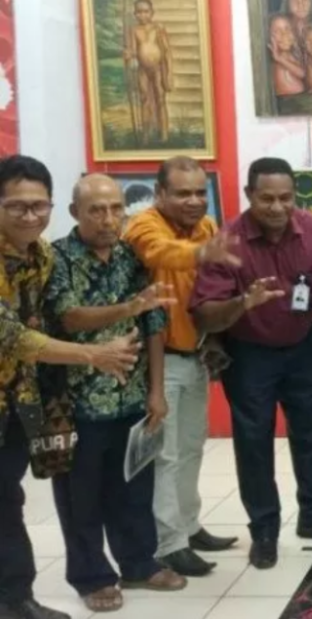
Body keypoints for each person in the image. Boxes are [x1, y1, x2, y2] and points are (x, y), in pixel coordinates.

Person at [190, 158, 312, 569]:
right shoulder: (227, 242)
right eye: (267, 198)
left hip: (301, 348)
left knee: (310, 438)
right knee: (254, 445)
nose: (277, 207)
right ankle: (264, 530)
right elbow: (206, 314)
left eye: (286, 198)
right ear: (249, 195)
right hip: (249, 354)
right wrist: (243, 302)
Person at [0, 157, 139, 619]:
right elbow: (13, 336)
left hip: (21, 397)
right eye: (17, 206)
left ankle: (15, 598)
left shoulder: (40, 256)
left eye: (39, 205)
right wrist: (93, 355)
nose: (30, 215)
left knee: (8, 495)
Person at [44, 175, 187, 613]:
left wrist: (157, 390)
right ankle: (92, 576)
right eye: (96, 210)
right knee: (80, 499)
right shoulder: (57, 258)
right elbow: (68, 317)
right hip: (77, 403)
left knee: (133, 490)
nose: (108, 219)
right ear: (75, 213)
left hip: (131, 399)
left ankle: (139, 564)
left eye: (115, 209)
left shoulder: (131, 256)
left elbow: (154, 324)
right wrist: (129, 307)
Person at [123, 157, 242, 577]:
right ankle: (168, 543)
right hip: (159, 361)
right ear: (160, 194)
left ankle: (189, 527)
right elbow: (158, 252)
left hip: (196, 357)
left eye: (198, 192)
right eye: (182, 193)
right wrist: (200, 253)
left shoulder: (207, 227)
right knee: (166, 456)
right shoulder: (143, 224)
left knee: (192, 447)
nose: (193, 201)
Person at [124, 0, 172, 143]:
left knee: (160, 99)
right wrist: (128, 54)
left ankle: (164, 134)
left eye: (146, 12)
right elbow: (133, 49)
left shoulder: (158, 28)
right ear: (135, 14)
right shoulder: (133, 30)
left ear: (152, 12)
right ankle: (145, 134)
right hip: (143, 70)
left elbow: (166, 51)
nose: (142, 15)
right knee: (144, 99)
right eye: (139, 12)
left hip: (158, 69)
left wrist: (169, 73)